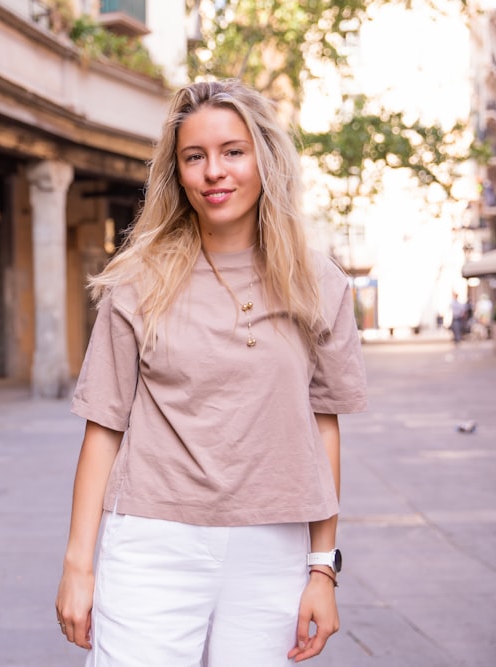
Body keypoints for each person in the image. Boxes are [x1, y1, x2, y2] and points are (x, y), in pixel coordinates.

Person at [54, 79, 368, 666]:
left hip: (273, 546)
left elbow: (323, 427)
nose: (214, 172)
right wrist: (79, 563)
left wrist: (322, 568)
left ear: (263, 158)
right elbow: (103, 427)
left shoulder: (317, 282)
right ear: (177, 173)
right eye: (194, 157)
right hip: (152, 540)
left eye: (232, 151)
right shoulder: (137, 279)